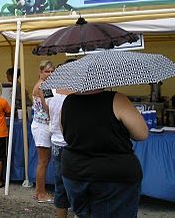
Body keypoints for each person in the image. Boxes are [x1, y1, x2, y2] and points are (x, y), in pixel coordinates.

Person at [61, 89, 149, 218]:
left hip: (75, 172)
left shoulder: (68, 100)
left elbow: (64, 133)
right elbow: (141, 133)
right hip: (112, 175)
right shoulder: (117, 99)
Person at [30, 60, 55, 203]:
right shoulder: (43, 86)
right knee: (43, 161)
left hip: (41, 125)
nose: (50, 74)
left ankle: (39, 191)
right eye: (47, 71)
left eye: (52, 71)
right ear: (40, 72)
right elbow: (49, 107)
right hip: (42, 126)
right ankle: (41, 193)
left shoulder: (42, 85)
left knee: (44, 160)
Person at [47, 88, 73, 218]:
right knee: (76, 183)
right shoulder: (76, 94)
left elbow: (47, 111)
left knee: (60, 184)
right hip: (70, 142)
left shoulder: (50, 92)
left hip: (56, 140)